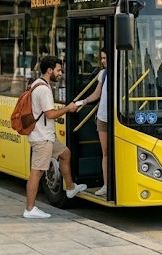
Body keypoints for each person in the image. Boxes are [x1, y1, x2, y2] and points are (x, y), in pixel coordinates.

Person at [24, 55, 86, 218]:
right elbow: (50, 114)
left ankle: (71, 188)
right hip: (42, 138)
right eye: (58, 70)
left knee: (65, 154)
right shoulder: (44, 89)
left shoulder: (37, 83)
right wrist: (68, 108)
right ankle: (29, 209)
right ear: (49, 70)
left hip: (47, 136)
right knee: (36, 172)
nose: (61, 73)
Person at [80, 51, 111, 197]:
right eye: (102, 58)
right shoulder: (103, 74)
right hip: (103, 118)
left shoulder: (122, 73)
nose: (103, 61)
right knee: (105, 153)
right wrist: (83, 101)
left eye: (105, 58)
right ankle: (106, 185)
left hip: (117, 118)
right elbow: (97, 94)